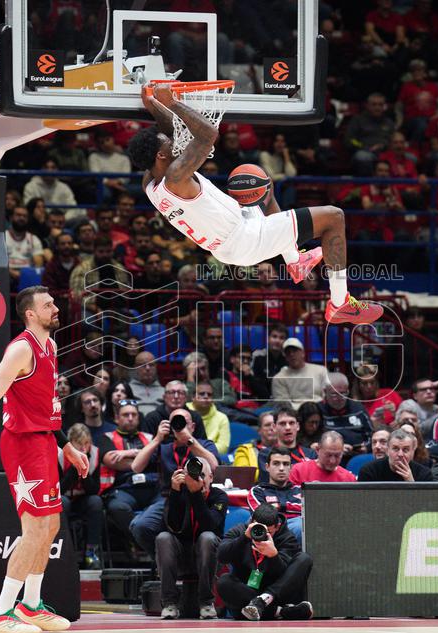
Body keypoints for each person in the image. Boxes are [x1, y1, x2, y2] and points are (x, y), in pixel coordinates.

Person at [128, 83, 381, 325]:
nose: (176, 141)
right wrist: (172, 102)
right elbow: (207, 135)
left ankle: (295, 261)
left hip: (231, 240)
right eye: (168, 144)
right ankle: (340, 303)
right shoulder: (175, 176)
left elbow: (172, 133)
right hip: (245, 238)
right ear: (162, 155)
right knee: (334, 217)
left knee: (262, 186)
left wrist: (153, 106)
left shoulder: (151, 183)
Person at [0, 286, 89, 633]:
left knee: (52, 527)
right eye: (48, 305)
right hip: (21, 444)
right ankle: (0, 613)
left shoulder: (51, 346)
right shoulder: (20, 349)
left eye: (54, 303)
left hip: (44, 441)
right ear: (30, 314)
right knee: (34, 530)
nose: (56, 308)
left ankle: (30, 605)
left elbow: (46, 408)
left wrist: (66, 447)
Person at [129, 408, 220, 557]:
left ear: (192, 426)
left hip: (199, 497)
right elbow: (136, 467)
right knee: (140, 526)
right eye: (175, 422)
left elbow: (214, 467)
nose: (180, 426)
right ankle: (165, 562)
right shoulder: (164, 447)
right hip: (169, 498)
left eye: (184, 422)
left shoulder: (204, 444)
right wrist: (157, 438)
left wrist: (190, 441)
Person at [217, 502, 313, 621]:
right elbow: (221, 556)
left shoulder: (287, 538)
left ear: (277, 526)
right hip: (247, 596)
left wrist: (274, 556)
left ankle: (263, 601)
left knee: (304, 559)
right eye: (258, 529)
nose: (262, 535)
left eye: (269, 532)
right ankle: (280, 612)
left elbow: (286, 578)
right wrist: (244, 538)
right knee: (224, 581)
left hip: (276, 593)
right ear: (252, 521)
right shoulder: (240, 531)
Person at [156, 457, 226, 619]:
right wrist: (175, 493)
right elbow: (171, 526)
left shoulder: (219, 496)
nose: (198, 479)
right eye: (192, 475)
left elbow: (210, 526)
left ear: (211, 477)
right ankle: (169, 603)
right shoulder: (178, 493)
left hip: (209, 558)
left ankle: (207, 603)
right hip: (181, 556)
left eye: (202, 474)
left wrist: (196, 495)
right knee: (163, 538)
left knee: (207, 537)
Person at [98, 399, 160, 547]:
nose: (130, 418)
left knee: (168, 503)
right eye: (126, 415)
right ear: (116, 418)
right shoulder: (107, 438)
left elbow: (156, 459)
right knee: (117, 508)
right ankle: (142, 543)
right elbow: (111, 460)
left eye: (134, 414)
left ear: (138, 418)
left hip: (151, 487)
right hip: (124, 489)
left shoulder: (150, 437)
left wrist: (128, 453)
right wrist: (143, 458)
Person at [60, 423, 104, 569]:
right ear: (70, 443)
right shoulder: (58, 454)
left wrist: (83, 469)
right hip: (64, 497)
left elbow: (94, 489)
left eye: (87, 443)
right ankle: (65, 551)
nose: (84, 448)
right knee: (62, 502)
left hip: (83, 499)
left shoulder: (95, 454)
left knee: (96, 502)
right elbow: (59, 489)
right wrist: (74, 467)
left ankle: (91, 552)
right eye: (79, 444)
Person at [247, 446, 304, 541]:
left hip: (301, 533)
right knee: (300, 525)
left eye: (286, 464)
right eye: (276, 464)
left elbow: (311, 516)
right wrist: (294, 508)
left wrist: (279, 507)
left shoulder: (301, 490)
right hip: (272, 536)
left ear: (291, 467)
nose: (281, 468)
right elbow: (263, 518)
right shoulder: (257, 491)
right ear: (267, 467)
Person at [318, 373, 372, 453]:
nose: (340, 398)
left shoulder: (358, 408)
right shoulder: (318, 409)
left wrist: (367, 446)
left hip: (358, 454)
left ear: (348, 390)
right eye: (334, 394)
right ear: (325, 392)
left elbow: (371, 434)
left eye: (343, 393)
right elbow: (313, 440)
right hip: (329, 455)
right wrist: (336, 448)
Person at [271, 338, 330, 410]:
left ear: (303, 353)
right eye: (288, 352)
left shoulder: (321, 370)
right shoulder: (279, 378)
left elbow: (328, 396)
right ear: (285, 357)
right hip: (295, 415)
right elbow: (283, 405)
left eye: (295, 351)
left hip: (321, 410)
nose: (291, 354)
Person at [358, 428, 433, 482]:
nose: (400, 454)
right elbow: (364, 502)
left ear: (413, 451)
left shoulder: (424, 474)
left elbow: (425, 503)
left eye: (405, 450)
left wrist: (411, 484)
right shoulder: (369, 471)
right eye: (395, 449)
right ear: (387, 450)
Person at [289, 432, 356, 484]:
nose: (332, 461)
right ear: (317, 450)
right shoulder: (298, 471)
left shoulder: (349, 479)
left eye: (337, 456)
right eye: (328, 455)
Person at [187, 381, 231, 456]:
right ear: (193, 397)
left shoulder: (222, 418)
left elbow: (224, 448)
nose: (206, 396)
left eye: (209, 394)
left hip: (211, 457)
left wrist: (198, 450)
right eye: (202, 394)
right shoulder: (183, 412)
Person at [234, 411, 277, 481]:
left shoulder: (288, 449)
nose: (271, 428)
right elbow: (242, 475)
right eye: (267, 425)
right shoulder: (244, 450)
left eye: (274, 425)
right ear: (259, 430)